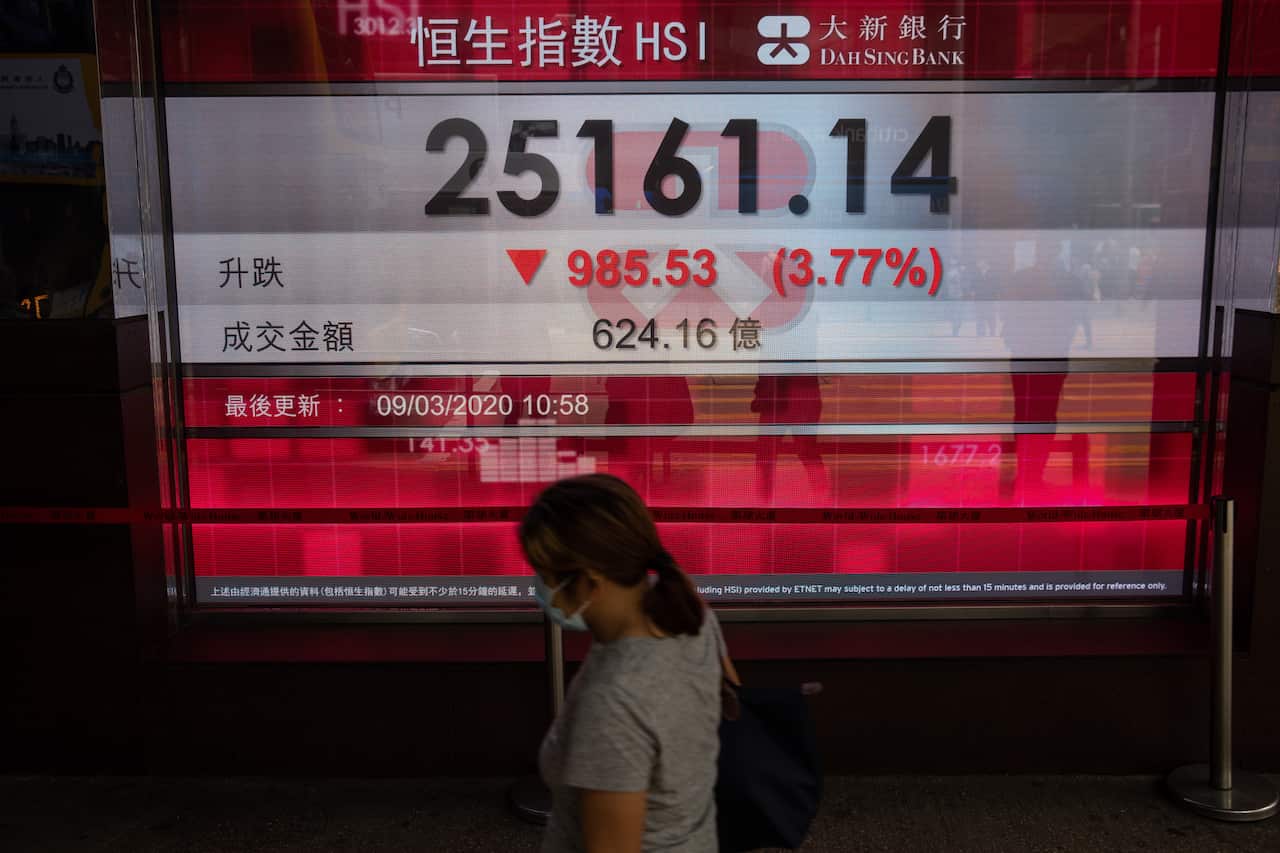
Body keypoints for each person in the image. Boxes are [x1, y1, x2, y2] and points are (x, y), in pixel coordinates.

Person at [521, 474, 739, 853]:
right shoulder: (688, 612)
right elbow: (729, 689)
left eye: (545, 575)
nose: (539, 586)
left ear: (589, 582)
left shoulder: (612, 703)